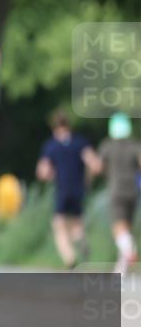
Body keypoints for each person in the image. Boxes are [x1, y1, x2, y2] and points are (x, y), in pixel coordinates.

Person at [36, 111, 100, 269]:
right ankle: (81, 241)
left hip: (62, 188)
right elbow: (95, 165)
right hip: (79, 188)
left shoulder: (51, 146)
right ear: (69, 125)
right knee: (77, 223)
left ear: (54, 127)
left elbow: (43, 171)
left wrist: (50, 175)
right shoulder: (80, 142)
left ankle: (69, 258)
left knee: (58, 224)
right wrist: (88, 179)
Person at [93, 112, 141, 274]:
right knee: (127, 227)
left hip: (116, 190)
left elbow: (98, 167)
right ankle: (121, 269)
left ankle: (129, 252)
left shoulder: (107, 145)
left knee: (118, 228)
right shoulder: (135, 145)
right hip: (133, 191)